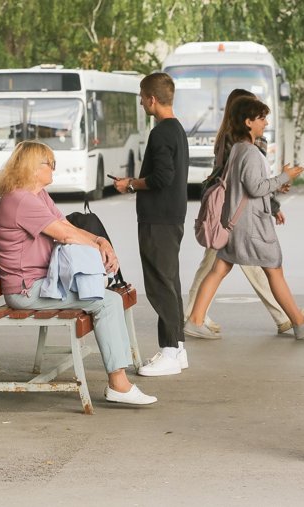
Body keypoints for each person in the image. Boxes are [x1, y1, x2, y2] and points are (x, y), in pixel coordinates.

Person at [0, 140, 156, 405]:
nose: (54, 168)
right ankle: (119, 385)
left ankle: (120, 381)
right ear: (33, 168)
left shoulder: (35, 195)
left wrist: (100, 241)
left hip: (42, 281)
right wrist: (100, 245)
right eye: (49, 163)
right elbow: (65, 234)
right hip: (27, 290)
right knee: (107, 302)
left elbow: (66, 224)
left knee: (107, 297)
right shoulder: (21, 200)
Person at [185, 97, 304, 342]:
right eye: (261, 118)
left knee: (219, 269)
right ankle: (298, 322)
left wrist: (275, 184)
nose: (265, 122)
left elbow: (247, 185)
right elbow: (255, 187)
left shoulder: (238, 147)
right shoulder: (250, 152)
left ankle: (195, 320)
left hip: (236, 222)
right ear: (248, 122)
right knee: (274, 269)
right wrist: (284, 176)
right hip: (252, 227)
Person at [113, 72, 189, 377]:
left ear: (152, 99)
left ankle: (170, 351)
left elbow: (161, 178)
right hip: (172, 216)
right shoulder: (178, 129)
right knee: (171, 281)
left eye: (142, 97)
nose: (142, 102)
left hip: (158, 219)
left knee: (159, 284)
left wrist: (130, 184)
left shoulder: (160, 133)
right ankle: (178, 348)